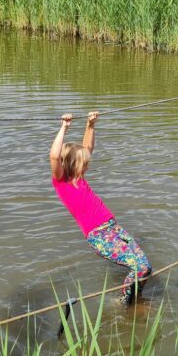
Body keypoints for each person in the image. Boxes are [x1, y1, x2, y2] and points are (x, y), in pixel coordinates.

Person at [50, 111, 151, 304]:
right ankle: (123, 304)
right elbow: (54, 157)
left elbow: (87, 147)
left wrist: (90, 125)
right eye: (84, 164)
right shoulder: (62, 182)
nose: (87, 167)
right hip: (99, 235)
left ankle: (136, 301)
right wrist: (64, 127)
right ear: (72, 164)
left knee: (145, 267)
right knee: (140, 267)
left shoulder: (78, 179)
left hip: (113, 228)